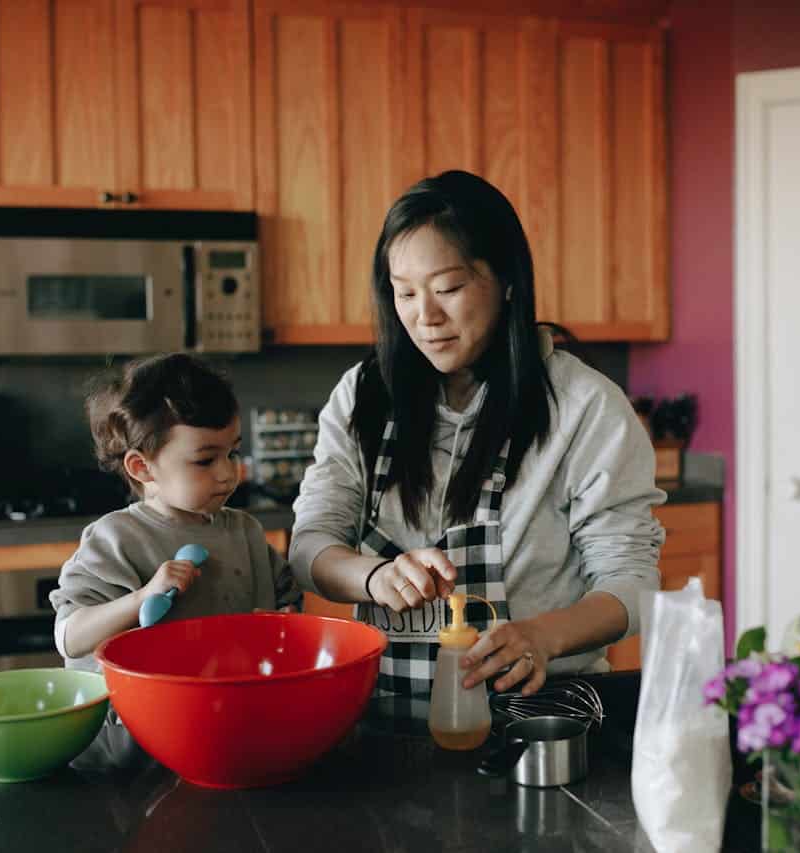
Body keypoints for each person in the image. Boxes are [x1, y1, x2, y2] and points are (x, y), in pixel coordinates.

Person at [290, 170, 665, 700]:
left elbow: (632, 583)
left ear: (507, 280)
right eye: (404, 294)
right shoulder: (364, 396)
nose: (425, 318)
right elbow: (309, 546)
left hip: (539, 721)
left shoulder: (585, 407)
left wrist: (542, 637)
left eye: (449, 288)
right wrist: (373, 578)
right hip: (384, 727)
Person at [50, 353, 300, 763]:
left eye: (232, 453)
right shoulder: (115, 539)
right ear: (141, 467)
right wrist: (142, 596)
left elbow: (288, 612)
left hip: (232, 731)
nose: (227, 473)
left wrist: (281, 626)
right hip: (136, 745)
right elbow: (70, 638)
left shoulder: (246, 533)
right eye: (205, 460)